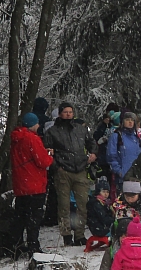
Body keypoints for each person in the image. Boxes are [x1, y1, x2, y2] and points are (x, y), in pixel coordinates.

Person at [44, 102, 98, 245]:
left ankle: (79, 235)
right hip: (63, 171)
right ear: (60, 113)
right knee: (64, 205)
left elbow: (91, 142)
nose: (68, 114)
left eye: (70, 112)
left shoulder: (80, 129)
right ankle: (66, 234)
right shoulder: (52, 131)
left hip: (80, 169)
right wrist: (57, 166)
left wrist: (93, 154)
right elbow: (47, 151)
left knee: (82, 204)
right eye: (65, 112)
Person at [8, 112, 54, 256]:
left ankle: (15, 247)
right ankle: (33, 247)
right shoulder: (32, 139)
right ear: (32, 124)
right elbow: (43, 162)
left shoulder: (16, 138)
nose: (38, 126)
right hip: (34, 184)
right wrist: (49, 155)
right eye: (37, 123)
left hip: (21, 184)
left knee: (20, 217)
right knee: (34, 218)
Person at [106, 111, 141, 192]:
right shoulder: (116, 136)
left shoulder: (137, 138)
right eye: (127, 120)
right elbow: (111, 155)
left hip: (136, 177)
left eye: (132, 120)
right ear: (122, 121)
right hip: (122, 176)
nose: (130, 122)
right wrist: (118, 171)